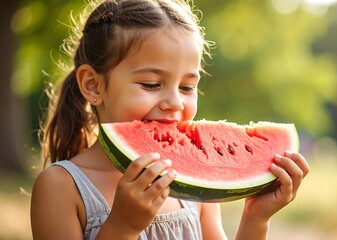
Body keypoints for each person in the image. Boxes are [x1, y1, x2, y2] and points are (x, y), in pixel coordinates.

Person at [30, 0, 310, 239]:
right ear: (93, 85)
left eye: (187, 87)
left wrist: (255, 218)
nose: (176, 102)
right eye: (151, 84)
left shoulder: (196, 187)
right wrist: (122, 227)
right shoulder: (60, 186)